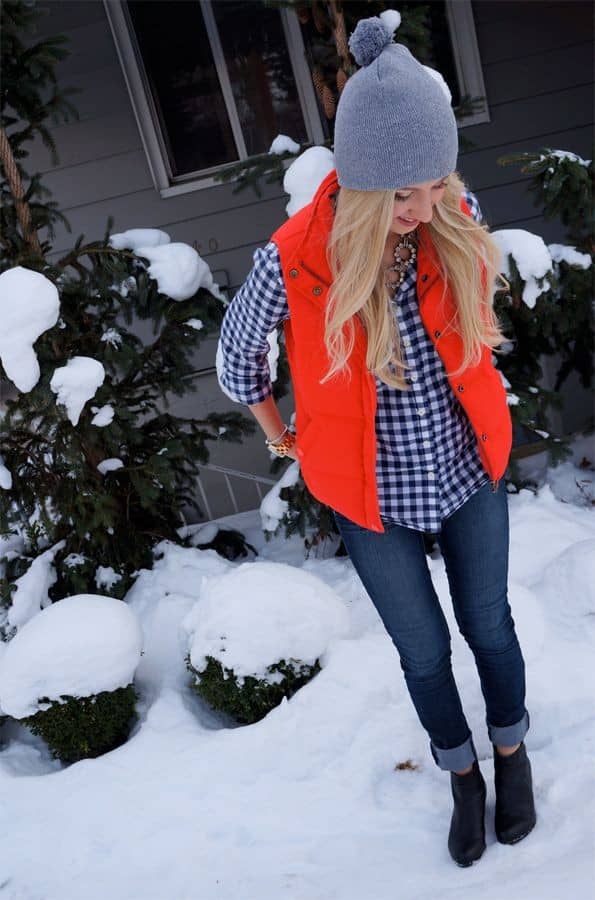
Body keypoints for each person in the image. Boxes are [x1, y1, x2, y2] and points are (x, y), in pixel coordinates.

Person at [217, 10, 536, 867]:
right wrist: (282, 436)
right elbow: (237, 356)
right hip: (369, 494)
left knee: (488, 625)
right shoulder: (294, 258)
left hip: (467, 467)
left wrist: (441, 216)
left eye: (433, 184)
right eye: (402, 194)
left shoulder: (448, 214)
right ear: (359, 184)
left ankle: (511, 755)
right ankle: (461, 775)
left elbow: (473, 312)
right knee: (423, 651)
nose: (424, 207)